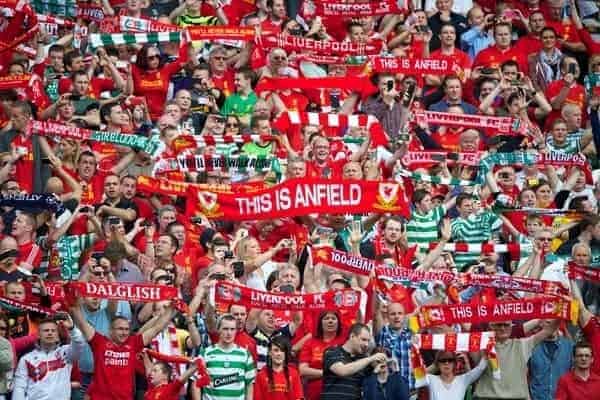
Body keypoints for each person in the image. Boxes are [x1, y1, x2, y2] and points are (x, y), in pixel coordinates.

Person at [69, 298, 175, 400]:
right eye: (120, 329)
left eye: (127, 329)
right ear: (110, 330)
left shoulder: (133, 343)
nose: (124, 333)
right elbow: (82, 323)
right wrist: (72, 300)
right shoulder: (99, 342)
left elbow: (157, 328)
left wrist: (172, 307)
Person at [12, 316, 84, 400]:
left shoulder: (66, 353)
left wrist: (72, 328)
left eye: (53, 331)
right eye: (46, 330)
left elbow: (79, 344)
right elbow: (19, 388)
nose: (50, 333)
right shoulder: (26, 359)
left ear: (57, 335)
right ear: (38, 335)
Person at [321, 323, 388, 400]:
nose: (366, 344)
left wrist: (381, 366)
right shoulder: (332, 351)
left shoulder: (364, 360)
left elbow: (379, 383)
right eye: (363, 339)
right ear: (352, 336)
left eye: (368, 341)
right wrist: (370, 358)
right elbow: (342, 371)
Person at [199, 314, 255, 400]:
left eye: (232, 329)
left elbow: (249, 385)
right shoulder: (206, 353)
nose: (229, 333)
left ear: (236, 331)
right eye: (225, 329)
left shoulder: (245, 354)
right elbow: (196, 383)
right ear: (218, 330)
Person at [254, 334, 303, 400]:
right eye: (276, 350)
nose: (279, 354)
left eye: (282, 350)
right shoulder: (261, 375)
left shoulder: (294, 374)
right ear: (269, 352)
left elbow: (299, 398)